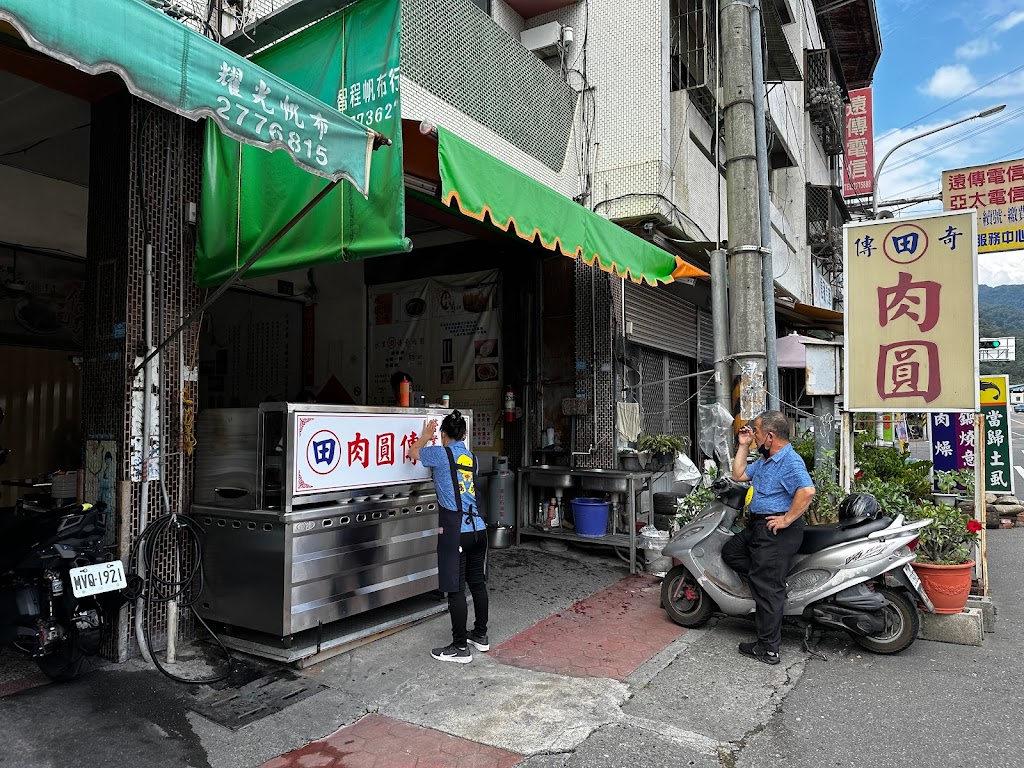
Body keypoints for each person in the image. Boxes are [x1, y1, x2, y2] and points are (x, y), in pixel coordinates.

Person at [722, 410, 815, 665]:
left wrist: (785, 519)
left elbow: (807, 491)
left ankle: (768, 649)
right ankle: (771, 580)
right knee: (731, 552)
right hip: (758, 528)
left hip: (777, 531)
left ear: (771, 437)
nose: (755, 438)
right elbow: (739, 475)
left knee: (767, 588)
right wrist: (742, 446)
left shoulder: (789, 461)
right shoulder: (765, 460)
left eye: (758, 434)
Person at [410, 410, 489, 663]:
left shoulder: (440, 454)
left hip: (456, 532)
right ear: (464, 435)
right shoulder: (472, 458)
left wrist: (425, 436)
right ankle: (480, 635)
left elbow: (412, 453)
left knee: (455, 589)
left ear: (444, 434)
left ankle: (459, 647)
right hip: (479, 529)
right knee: (477, 583)